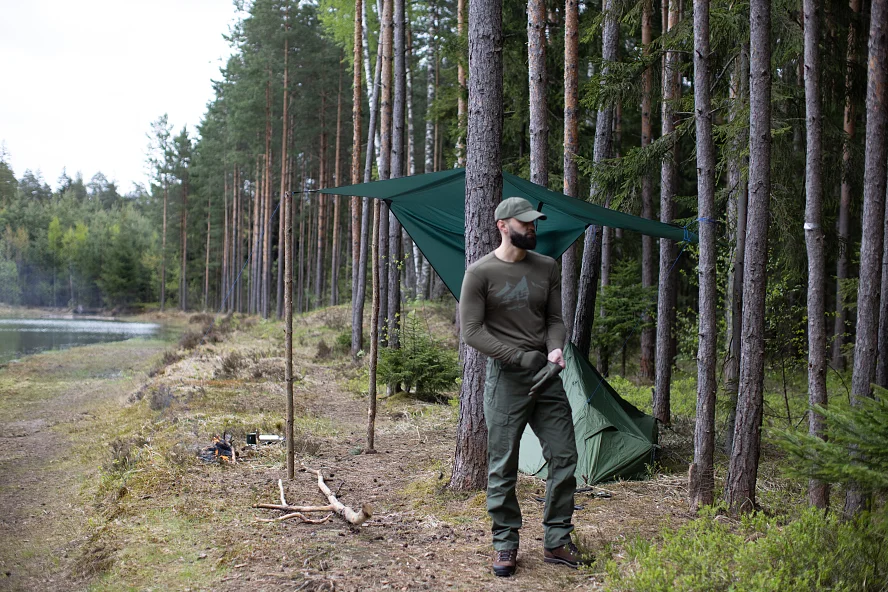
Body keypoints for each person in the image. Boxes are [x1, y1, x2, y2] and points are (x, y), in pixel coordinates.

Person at [459, 196, 586, 577]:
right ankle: (505, 543)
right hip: (505, 380)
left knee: (564, 457)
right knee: (503, 465)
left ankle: (557, 541)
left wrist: (555, 351)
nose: (532, 228)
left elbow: (555, 319)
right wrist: (518, 357)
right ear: (502, 225)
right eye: (525, 223)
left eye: (534, 223)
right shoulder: (479, 273)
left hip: (547, 376)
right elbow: (471, 332)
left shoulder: (546, 266)